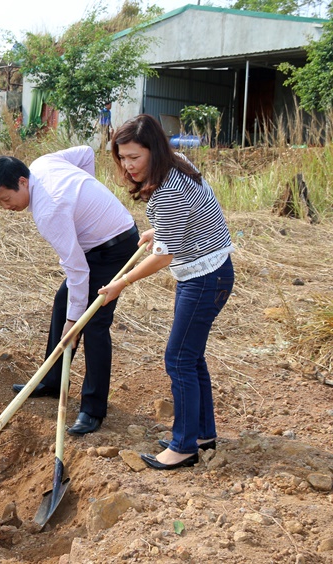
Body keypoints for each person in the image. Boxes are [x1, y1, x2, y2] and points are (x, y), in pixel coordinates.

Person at [100, 114, 235, 469]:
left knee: (178, 358)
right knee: (191, 357)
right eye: (122, 157)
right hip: (209, 269)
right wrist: (157, 229)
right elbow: (187, 217)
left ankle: (184, 446)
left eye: (135, 157)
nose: (128, 166)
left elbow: (164, 256)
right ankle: (203, 435)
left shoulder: (169, 192)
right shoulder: (176, 165)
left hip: (205, 276)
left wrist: (121, 283)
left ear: (154, 150)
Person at [0, 146, 138, 435]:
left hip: (116, 247)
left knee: (93, 323)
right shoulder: (41, 163)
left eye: (7, 199)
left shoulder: (49, 210)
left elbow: (77, 270)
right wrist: (82, 204)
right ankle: (52, 380)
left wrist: (72, 324)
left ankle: (92, 410)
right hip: (98, 242)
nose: (7, 207)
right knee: (63, 300)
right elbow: (86, 153)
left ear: (23, 182)